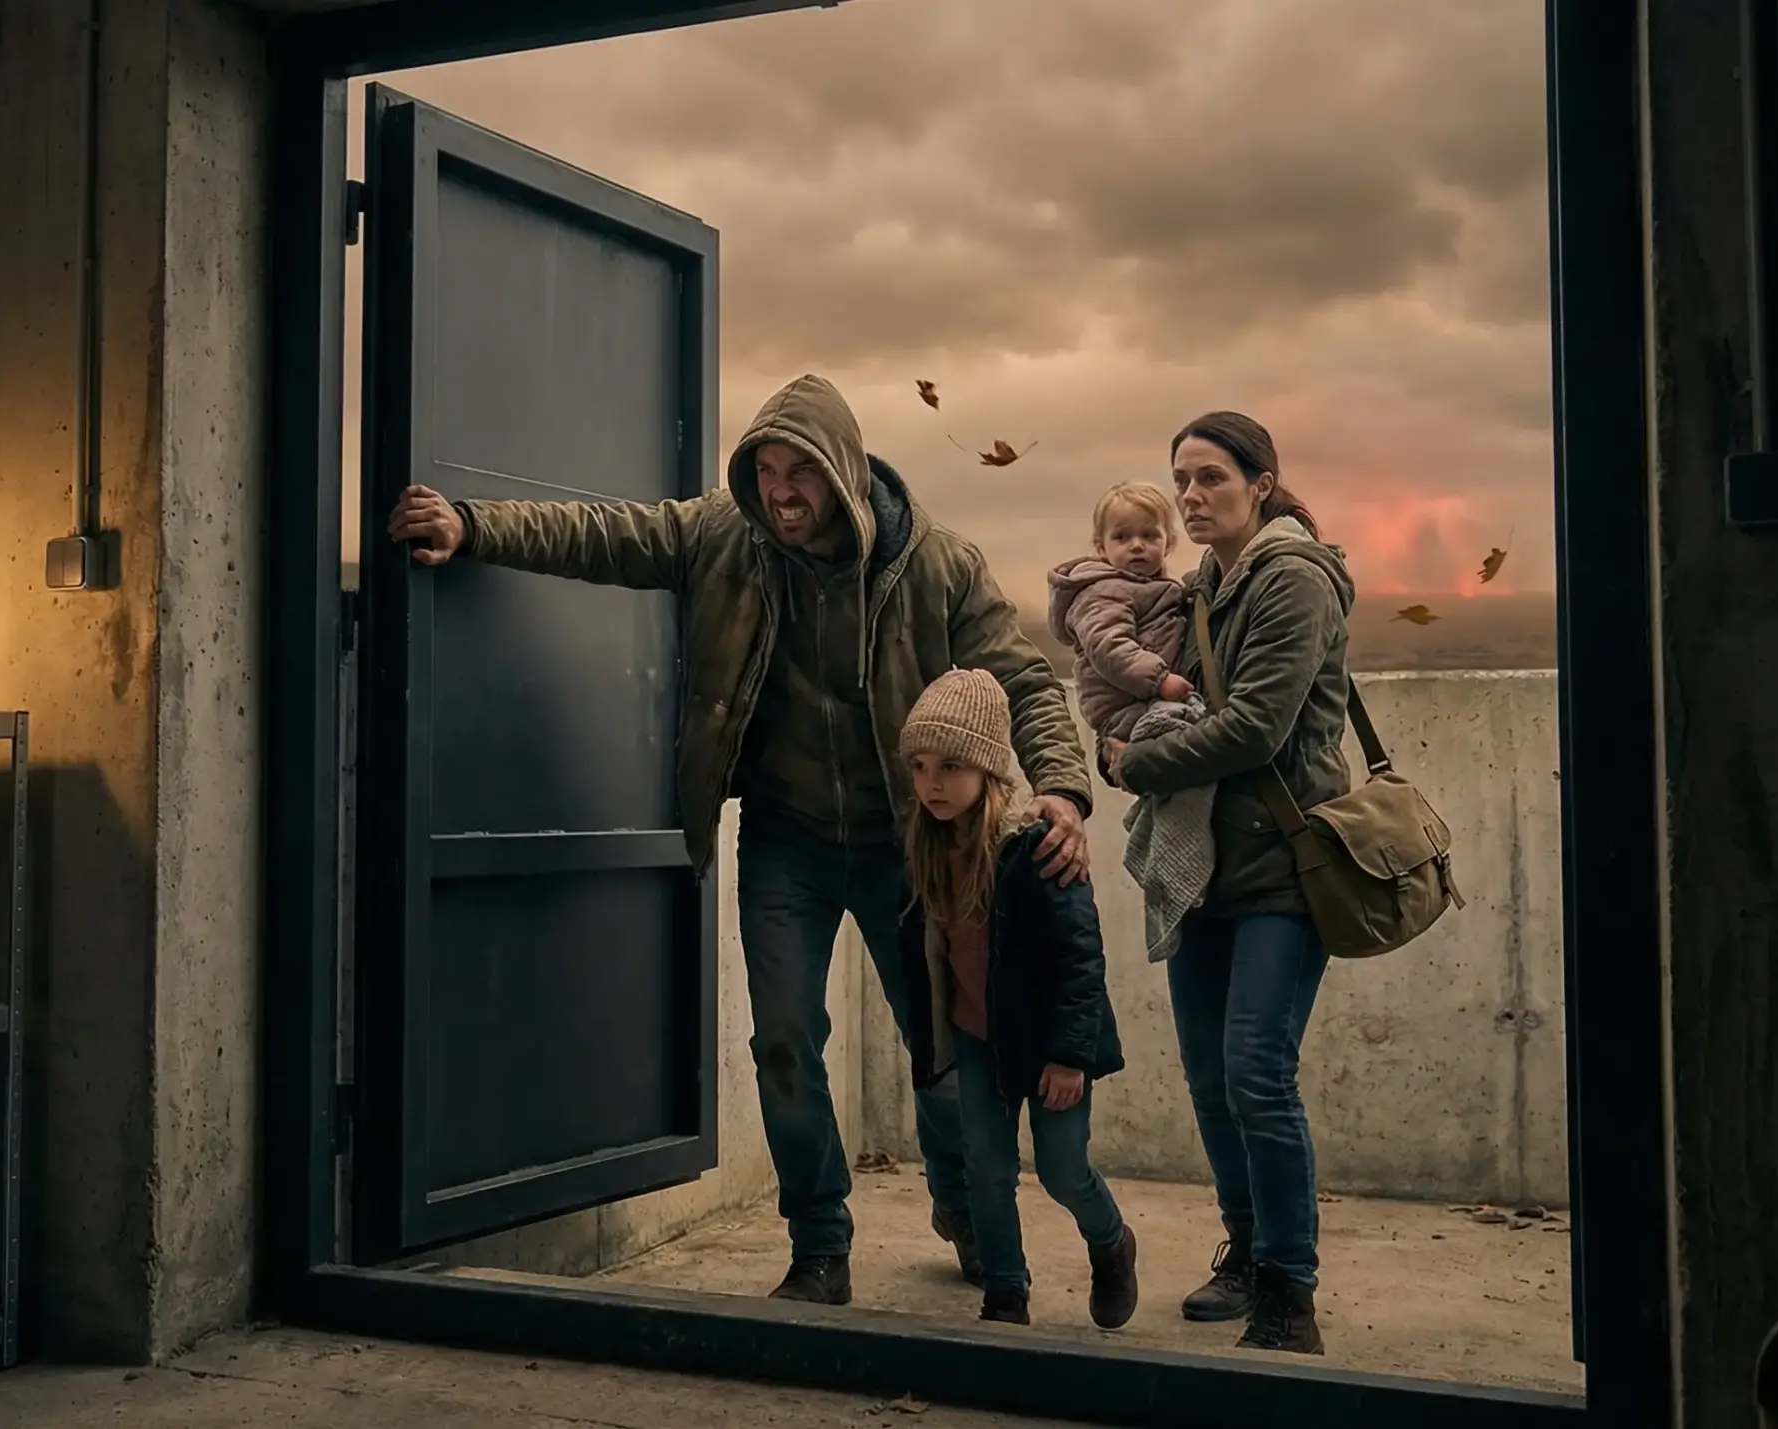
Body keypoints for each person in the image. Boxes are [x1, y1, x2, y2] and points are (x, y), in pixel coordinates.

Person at [385, 374, 1096, 1306]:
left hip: (910, 846)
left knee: (943, 1048)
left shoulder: (940, 568)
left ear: (842, 472)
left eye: (799, 472)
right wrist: (474, 525)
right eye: (765, 469)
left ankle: (963, 1204)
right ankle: (819, 1244)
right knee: (785, 1041)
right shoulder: (725, 537)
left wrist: (1063, 789)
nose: (779, 491)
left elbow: (1026, 682)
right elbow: (608, 536)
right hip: (786, 840)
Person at [1102, 411, 1354, 1355]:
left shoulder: (1291, 578)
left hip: (1287, 866)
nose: (1192, 497)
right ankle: (1245, 1252)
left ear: (1260, 482)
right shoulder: (1201, 582)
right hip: (1207, 865)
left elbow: (1256, 727)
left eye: (1211, 478)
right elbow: (1142, 696)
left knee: (1257, 1071)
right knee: (1212, 1080)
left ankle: (1290, 1291)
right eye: (1182, 481)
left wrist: (1135, 766)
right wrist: (1112, 738)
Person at [892, 668, 1138, 1330]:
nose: (931, 783)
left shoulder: (1034, 849)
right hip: (977, 1038)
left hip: (1048, 1045)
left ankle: (1112, 1242)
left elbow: (1079, 959)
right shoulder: (924, 845)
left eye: (949, 765)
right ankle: (1005, 1293)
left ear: (990, 768)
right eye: (919, 766)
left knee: (1062, 1169)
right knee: (987, 1170)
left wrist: (1068, 1056)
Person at [1047, 481, 1193, 742]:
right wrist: (1159, 679)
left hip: (1150, 698)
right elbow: (1109, 645)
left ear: (1168, 542)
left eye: (1149, 535)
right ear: (1101, 546)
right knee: (1190, 736)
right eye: (1122, 537)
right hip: (1125, 707)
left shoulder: (1161, 587)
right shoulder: (1103, 591)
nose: (1136, 545)